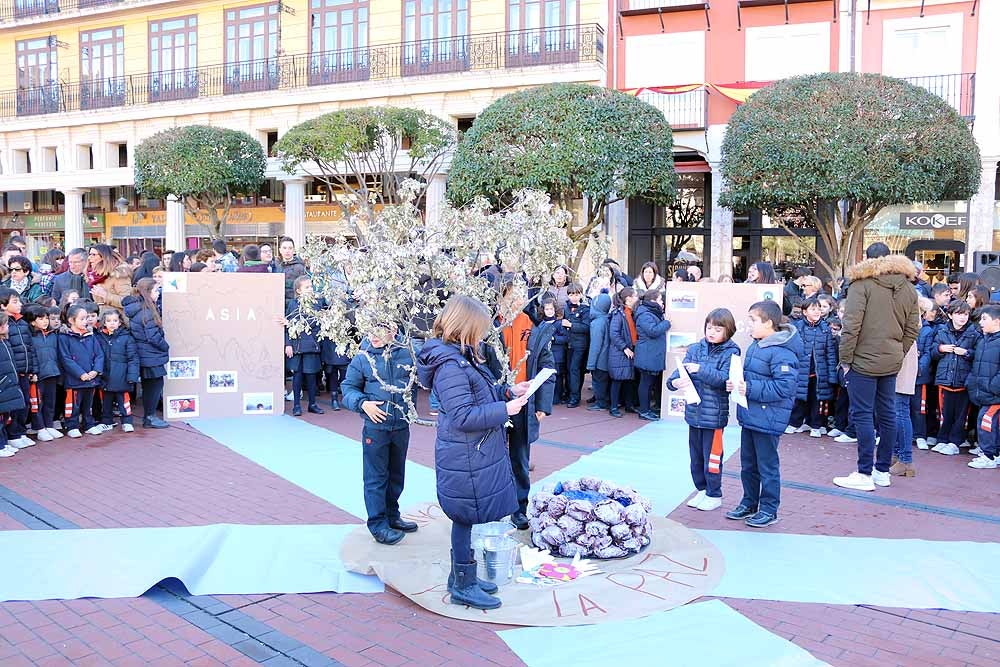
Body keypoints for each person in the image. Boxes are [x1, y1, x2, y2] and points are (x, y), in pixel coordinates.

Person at [417, 295, 531, 610]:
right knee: (464, 516)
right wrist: (505, 409)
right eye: (479, 329)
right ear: (464, 327)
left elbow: (479, 395)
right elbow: (464, 415)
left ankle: (461, 578)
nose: (482, 335)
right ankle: (463, 585)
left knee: (465, 518)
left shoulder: (459, 356)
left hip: (470, 453)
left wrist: (508, 392)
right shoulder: (450, 365)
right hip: (464, 454)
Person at [834, 244, 919, 492]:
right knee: (888, 414)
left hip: (862, 359)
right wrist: (898, 352)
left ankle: (864, 473)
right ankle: (882, 471)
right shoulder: (909, 288)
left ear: (867, 259)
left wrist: (846, 360)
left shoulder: (861, 285)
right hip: (891, 360)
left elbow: (850, 327)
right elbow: (913, 328)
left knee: (862, 415)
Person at [486, 277, 555, 530]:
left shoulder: (534, 326)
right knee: (491, 456)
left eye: (521, 296)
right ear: (501, 298)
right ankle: (493, 505)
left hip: (525, 402)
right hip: (496, 402)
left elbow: (548, 367)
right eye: (513, 296)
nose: (517, 301)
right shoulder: (489, 328)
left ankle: (519, 508)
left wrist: (542, 406)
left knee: (520, 457)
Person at [726, 300, 800, 528]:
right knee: (748, 464)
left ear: (769, 323)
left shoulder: (782, 352)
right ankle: (749, 502)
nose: (749, 325)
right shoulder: (757, 345)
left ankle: (769, 509)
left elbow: (785, 387)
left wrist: (749, 388)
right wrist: (737, 384)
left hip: (769, 418)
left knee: (767, 466)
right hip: (751, 416)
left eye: (753, 320)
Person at [342, 323, 417, 545]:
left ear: (393, 330)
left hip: (401, 425)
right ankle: (378, 524)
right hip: (375, 429)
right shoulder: (363, 358)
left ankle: (392, 516)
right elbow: (348, 388)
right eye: (370, 329)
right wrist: (363, 404)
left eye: (380, 329)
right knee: (376, 478)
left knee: (396, 475)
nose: (373, 335)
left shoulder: (407, 353)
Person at [667, 308, 739, 512]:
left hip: (714, 416)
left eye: (717, 329)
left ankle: (714, 494)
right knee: (696, 457)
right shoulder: (696, 348)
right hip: (693, 413)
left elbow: (725, 379)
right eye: (709, 328)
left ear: (728, 330)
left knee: (713, 458)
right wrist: (675, 382)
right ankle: (701, 489)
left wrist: (700, 370)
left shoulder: (732, 352)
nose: (712, 332)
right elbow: (675, 375)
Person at [930, 300, 979, 455]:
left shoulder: (973, 333)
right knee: (945, 412)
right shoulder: (942, 331)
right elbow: (933, 352)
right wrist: (940, 348)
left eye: (965, 314)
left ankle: (955, 442)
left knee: (961, 414)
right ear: (950, 315)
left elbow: (978, 355)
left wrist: (966, 353)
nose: (962, 318)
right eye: (958, 314)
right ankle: (942, 439)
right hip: (945, 379)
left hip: (963, 380)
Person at [787, 297, 838, 438]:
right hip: (801, 371)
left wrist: (832, 375)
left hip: (819, 373)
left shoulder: (825, 329)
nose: (817, 311)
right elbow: (792, 350)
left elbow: (830, 354)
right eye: (813, 309)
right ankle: (795, 423)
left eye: (819, 308)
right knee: (799, 399)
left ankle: (816, 425)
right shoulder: (797, 327)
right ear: (804, 312)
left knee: (818, 400)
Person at [122, 278, 170, 428]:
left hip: (144, 354)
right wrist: (165, 346)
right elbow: (153, 336)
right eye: (156, 290)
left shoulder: (139, 309)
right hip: (150, 355)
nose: (158, 293)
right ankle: (149, 417)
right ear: (147, 292)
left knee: (150, 386)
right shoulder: (147, 312)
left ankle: (149, 417)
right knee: (154, 386)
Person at [57, 303, 105, 438]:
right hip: (74, 379)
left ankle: (89, 424)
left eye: (88, 318)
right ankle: (72, 425)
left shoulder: (91, 335)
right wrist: (81, 374)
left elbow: (99, 354)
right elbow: (65, 359)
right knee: (73, 405)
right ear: (72, 320)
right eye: (82, 318)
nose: (86, 321)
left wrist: (96, 370)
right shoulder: (64, 337)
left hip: (91, 378)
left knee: (88, 404)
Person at [0, 288, 35, 449]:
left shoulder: (22, 322)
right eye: (15, 302)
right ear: (3, 305)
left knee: (24, 403)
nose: (19, 304)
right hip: (11, 373)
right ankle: (12, 434)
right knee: (11, 406)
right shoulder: (4, 324)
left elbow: (30, 347)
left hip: (24, 371)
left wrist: (33, 369)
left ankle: (20, 432)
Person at [284, 276, 324, 416]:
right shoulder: (293, 304)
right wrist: (287, 344)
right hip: (296, 346)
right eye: (307, 287)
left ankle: (312, 404)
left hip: (312, 345)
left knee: (311, 376)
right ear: (298, 291)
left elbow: (317, 324)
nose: (310, 289)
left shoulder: (317, 304)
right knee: (297, 376)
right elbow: (287, 325)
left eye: (311, 286)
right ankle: (296, 405)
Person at [967, 304, 1000, 469]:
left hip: (994, 394)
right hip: (984, 392)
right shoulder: (984, 340)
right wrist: (972, 382)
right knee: (988, 422)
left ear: (997, 321)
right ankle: (993, 453)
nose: (981, 322)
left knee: (985, 421)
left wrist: (993, 387)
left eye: (984, 319)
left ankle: (989, 456)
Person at [95, 309, 139, 433]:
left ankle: (127, 421)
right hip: (105, 376)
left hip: (122, 376)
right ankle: (107, 421)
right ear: (104, 322)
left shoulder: (127, 338)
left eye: (115, 320)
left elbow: (133, 358)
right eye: (109, 321)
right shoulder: (99, 337)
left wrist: (132, 376)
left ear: (120, 322)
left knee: (123, 401)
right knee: (106, 402)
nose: (112, 323)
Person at [24, 304, 61, 442]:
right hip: (38, 375)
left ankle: (49, 424)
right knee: (37, 403)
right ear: (33, 321)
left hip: (52, 372)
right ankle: (39, 427)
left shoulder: (52, 335)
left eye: (46, 318)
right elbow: (30, 355)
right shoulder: (30, 337)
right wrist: (33, 372)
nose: (45, 321)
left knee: (50, 401)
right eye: (41, 318)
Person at [634, 289, 671, 421]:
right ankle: (644, 410)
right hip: (647, 354)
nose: (662, 303)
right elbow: (653, 331)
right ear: (653, 301)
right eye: (660, 300)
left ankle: (647, 408)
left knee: (648, 384)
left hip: (650, 353)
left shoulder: (649, 312)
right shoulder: (645, 314)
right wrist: (666, 323)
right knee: (646, 383)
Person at [608, 287, 638, 418]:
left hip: (630, 349)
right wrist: (625, 347)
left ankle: (629, 405)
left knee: (629, 380)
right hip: (620, 351)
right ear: (628, 298)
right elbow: (614, 334)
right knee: (617, 380)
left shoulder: (631, 312)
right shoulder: (618, 314)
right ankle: (614, 407)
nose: (637, 298)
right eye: (635, 296)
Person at [890, 341, 918, 477]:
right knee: (895, 414)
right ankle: (897, 455)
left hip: (901, 365)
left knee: (900, 413)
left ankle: (906, 460)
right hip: (898, 363)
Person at [914, 300, 939, 450]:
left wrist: (918, 367)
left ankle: (920, 435)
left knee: (919, 407)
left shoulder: (927, 330)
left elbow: (927, 353)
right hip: (900, 372)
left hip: (919, 375)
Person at [0, 313, 25, 457]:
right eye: (6, 324)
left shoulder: (5, 342)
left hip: (8, 384)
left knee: (4, 417)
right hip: (2, 385)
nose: (8, 327)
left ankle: (4, 442)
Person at [87, 244, 133, 317]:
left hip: (117, 320)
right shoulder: (94, 275)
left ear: (103, 257)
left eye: (94, 255)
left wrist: (105, 295)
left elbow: (127, 301)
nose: (89, 258)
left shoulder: (119, 275)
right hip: (100, 319)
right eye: (89, 254)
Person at [564, 283, 590, 408]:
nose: (574, 297)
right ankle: (570, 394)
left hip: (580, 344)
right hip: (568, 343)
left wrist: (571, 325)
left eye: (576, 294)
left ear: (581, 295)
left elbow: (586, 327)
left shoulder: (585, 309)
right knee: (569, 370)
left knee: (575, 369)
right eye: (571, 294)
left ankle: (575, 397)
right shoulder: (566, 307)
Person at [586, 293, 612, 412]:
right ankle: (603, 399)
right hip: (607, 357)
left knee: (598, 380)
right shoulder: (607, 318)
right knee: (604, 380)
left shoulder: (597, 323)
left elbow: (595, 345)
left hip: (599, 359)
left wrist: (591, 363)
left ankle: (601, 403)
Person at [540, 298, 569, 405]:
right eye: (547, 309)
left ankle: (557, 397)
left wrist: (554, 339)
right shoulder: (541, 323)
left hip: (557, 355)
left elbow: (565, 338)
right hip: (545, 355)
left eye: (551, 309)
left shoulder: (559, 323)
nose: (549, 311)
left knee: (558, 376)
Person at [277, 237, 309, 302]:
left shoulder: (300, 268)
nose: (287, 251)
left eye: (290, 248)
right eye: (284, 248)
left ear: (294, 250)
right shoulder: (276, 267)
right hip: (279, 303)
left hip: (294, 304)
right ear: (280, 250)